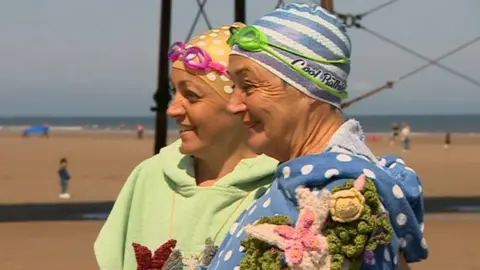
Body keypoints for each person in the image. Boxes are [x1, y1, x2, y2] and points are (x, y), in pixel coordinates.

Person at [206, 4, 428, 269]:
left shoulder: (341, 202)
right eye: (234, 87)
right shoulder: (301, 183)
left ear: (308, 90)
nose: (233, 104)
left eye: (249, 86)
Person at [93, 23, 278, 270]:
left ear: (240, 103)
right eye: (174, 92)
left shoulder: (279, 187)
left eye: (191, 96)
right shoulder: (151, 175)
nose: (173, 109)